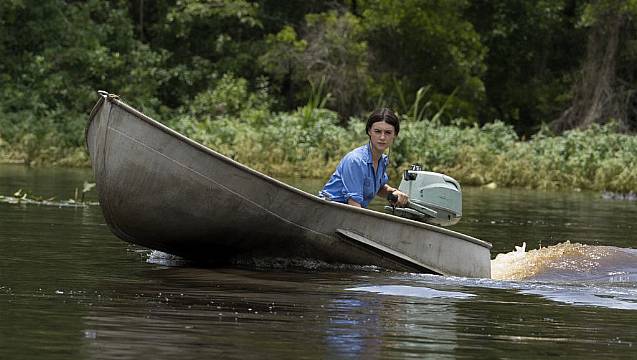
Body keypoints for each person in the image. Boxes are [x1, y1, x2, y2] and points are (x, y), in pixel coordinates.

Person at [319, 108, 409, 208]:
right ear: (369, 131)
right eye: (377, 131)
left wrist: (393, 192)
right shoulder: (355, 161)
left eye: (388, 132)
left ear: (395, 135)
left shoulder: (383, 161)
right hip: (329, 209)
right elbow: (354, 205)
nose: (382, 137)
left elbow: (378, 188)